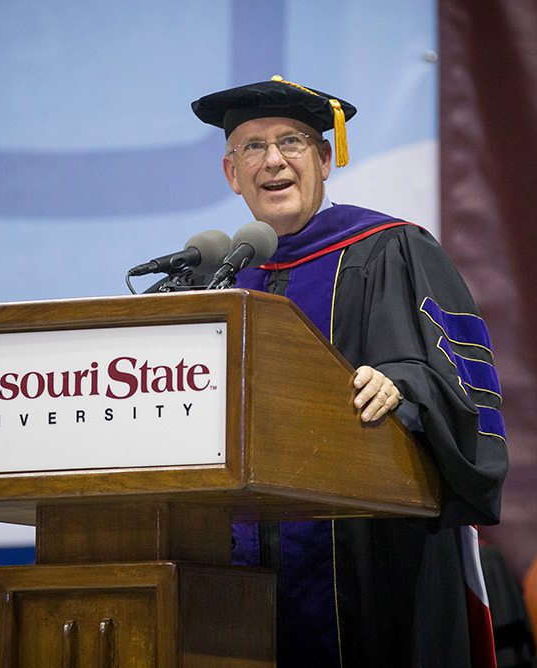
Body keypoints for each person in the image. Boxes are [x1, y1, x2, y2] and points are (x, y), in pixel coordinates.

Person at [191, 76, 509, 666]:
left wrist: (403, 387)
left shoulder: (389, 248)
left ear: (325, 158)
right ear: (232, 174)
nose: (274, 160)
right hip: (246, 571)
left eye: (292, 141)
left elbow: (461, 382)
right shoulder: (221, 285)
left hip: (373, 554)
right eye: (252, 147)